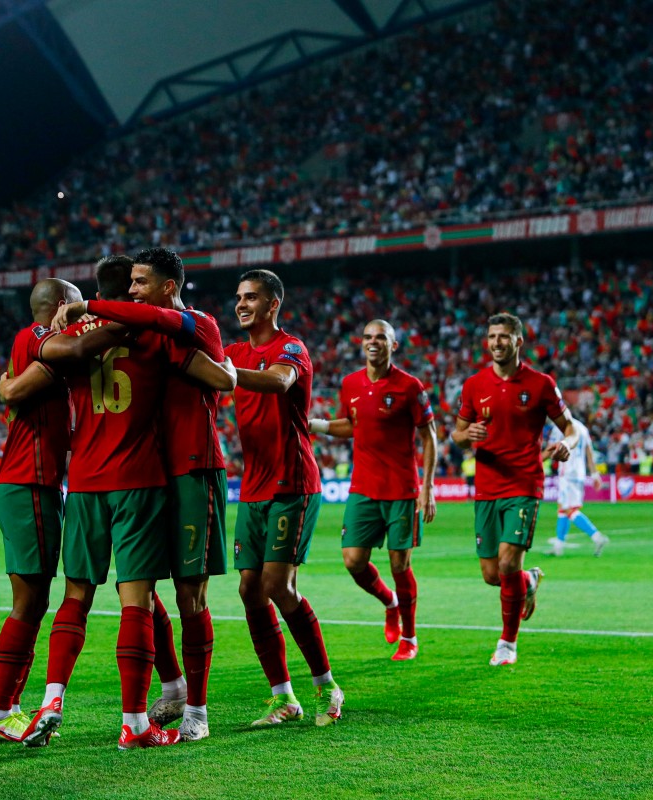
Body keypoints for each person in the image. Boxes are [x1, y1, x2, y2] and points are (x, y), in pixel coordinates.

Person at [21, 255, 234, 750]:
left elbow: (36, 372)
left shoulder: (83, 340)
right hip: (144, 476)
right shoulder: (146, 336)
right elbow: (219, 377)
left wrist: (11, 382)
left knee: (157, 594)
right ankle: (141, 716)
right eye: (133, 284)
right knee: (144, 596)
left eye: (144, 283)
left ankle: (63, 700)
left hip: (147, 474)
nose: (137, 291)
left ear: (164, 286)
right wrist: (227, 373)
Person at [225, 268, 344, 727]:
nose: (241, 304)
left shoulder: (290, 348)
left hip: (292, 482)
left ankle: (326, 686)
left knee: (278, 586)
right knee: (249, 590)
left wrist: (230, 374)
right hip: (252, 486)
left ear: (273, 304)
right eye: (238, 297)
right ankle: (283, 697)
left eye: (251, 297)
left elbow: (277, 382)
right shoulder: (232, 351)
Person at [0, 278, 84, 744]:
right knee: (29, 604)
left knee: (34, 602)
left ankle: (7, 707)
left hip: (31, 484)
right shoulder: (39, 338)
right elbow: (18, 389)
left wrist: (10, 388)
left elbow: (14, 390)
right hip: (28, 484)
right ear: (60, 306)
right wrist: (10, 388)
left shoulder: (40, 344)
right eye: (78, 301)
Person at [451, 313, 577, 667]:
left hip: (524, 484)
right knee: (493, 574)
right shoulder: (474, 384)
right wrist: (467, 435)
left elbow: (571, 428)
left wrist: (567, 443)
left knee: (507, 561)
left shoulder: (540, 384)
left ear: (518, 341)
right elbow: (458, 435)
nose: (496, 342)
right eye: (492, 336)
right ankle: (529, 580)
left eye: (504, 336)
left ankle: (507, 643)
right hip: (487, 487)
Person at [310, 320, 438, 661]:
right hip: (363, 487)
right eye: (367, 336)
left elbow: (430, 437)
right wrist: (315, 425)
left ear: (393, 345)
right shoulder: (350, 384)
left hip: (402, 489)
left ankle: (409, 638)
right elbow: (351, 425)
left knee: (400, 564)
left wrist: (427, 487)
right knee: (353, 561)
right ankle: (390, 602)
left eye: (381, 337)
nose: (373, 342)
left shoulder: (410, 387)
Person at [545, 417, 609, 557]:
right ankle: (559, 547)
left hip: (567, 472)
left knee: (569, 509)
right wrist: (595, 475)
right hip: (578, 473)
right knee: (562, 507)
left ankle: (597, 537)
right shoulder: (582, 428)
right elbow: (589, 452)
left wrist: (537, 461)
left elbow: (551, 449)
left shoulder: (559, 427)